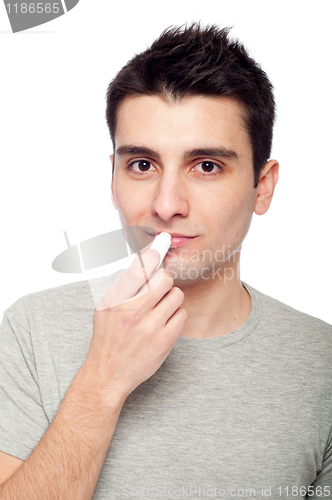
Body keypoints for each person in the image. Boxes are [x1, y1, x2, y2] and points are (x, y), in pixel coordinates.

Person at [0, 23, 331, 500]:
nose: (167, 204)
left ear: (264, 186)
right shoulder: (30, 332)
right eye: (142, 164)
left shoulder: (323, 362)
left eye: (207, 166)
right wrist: (103, 380)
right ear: (112, 179)